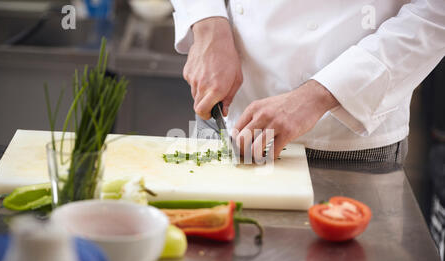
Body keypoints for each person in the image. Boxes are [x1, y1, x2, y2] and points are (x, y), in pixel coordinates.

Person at [170, 0, 445, 163]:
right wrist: (207, 22)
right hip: (226, 110)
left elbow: (435, 13)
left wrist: (320, 95)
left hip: (344, 138)